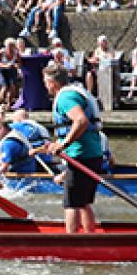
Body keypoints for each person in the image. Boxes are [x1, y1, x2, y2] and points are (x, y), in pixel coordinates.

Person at [43, 64, 103, 233]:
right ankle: (90, 238)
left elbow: (81, 121)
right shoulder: (76, 92)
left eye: (45, 83)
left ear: (53, 83)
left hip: (79, 155)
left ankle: (72, 241)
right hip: (93, 154)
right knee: (83, 203)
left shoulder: (65, 97)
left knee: (71, 204)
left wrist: (63, 144)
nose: (45, 87)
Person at [0, 38, 21, 108]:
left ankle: (9, 103)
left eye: (12, 46)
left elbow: (19, 63)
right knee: (5, 86)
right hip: (0, 70)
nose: (10, 47)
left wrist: (16, 65)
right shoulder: (1, 52)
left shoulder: (16, 53)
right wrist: (5, 65)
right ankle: (2, 103)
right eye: (8, 46)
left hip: (11, 69)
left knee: (12, 86)